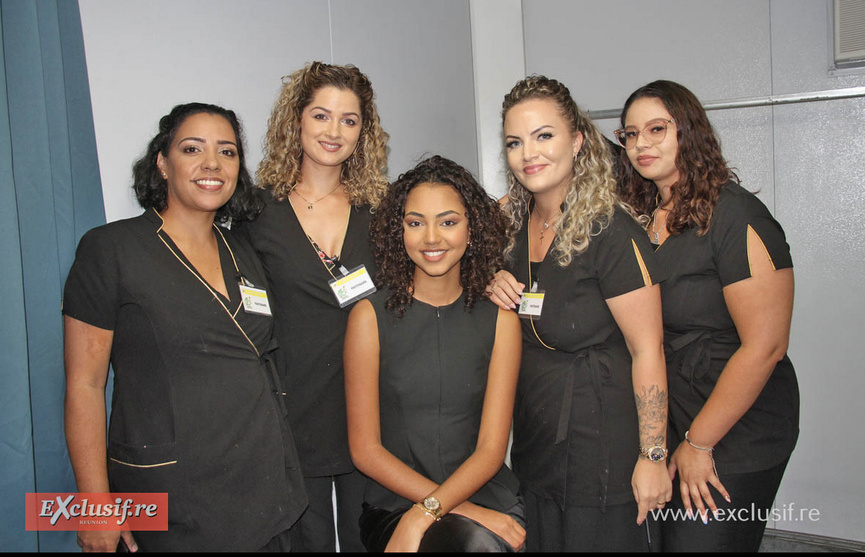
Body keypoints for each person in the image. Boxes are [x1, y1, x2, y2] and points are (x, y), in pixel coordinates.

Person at [62, 103, 307, 552]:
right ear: (162, 162)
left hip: (263, 486)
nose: (212, 164)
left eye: (227, 152)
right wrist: (93, 503)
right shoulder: (111, 250)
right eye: (192, 148)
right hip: (171, 496)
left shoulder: (244, 252)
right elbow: (84, 383)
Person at [487, 75, 672, 552]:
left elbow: (647, 348)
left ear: (578, 141)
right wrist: (488, 278)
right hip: (537, 436)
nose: (529, 152)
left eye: (544, 135)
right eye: (515, 142)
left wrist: (653, 455)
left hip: (601, 441)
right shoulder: (511, 227)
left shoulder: (611, 230)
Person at [615, 79, 799, 552]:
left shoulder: (737, 215)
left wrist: (700, 444)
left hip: (735, 424)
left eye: (656, 129)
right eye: (630, 134)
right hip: (672, 415)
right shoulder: (639, 217)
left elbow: (767, 346)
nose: (641, 144)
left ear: (689, 132)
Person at [238, 61, 389, 552]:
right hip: (291, 413)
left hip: (373, 411)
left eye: (349, 120)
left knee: (375, 539)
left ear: (363, 132)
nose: (334, 131)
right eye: (321, 115)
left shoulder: (385, 212)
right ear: (296, 121)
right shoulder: (254, 213)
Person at [344, 155, 526, 552]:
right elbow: (366, 451)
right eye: (415, 223)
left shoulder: (500, 321)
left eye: (448, 221)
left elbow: (492, 449)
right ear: (399, 231)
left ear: (472, 229)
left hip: (485, 497)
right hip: (394, 507)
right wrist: (440, 510)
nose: (431, 238)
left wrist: (432, 511)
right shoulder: (368, 318)